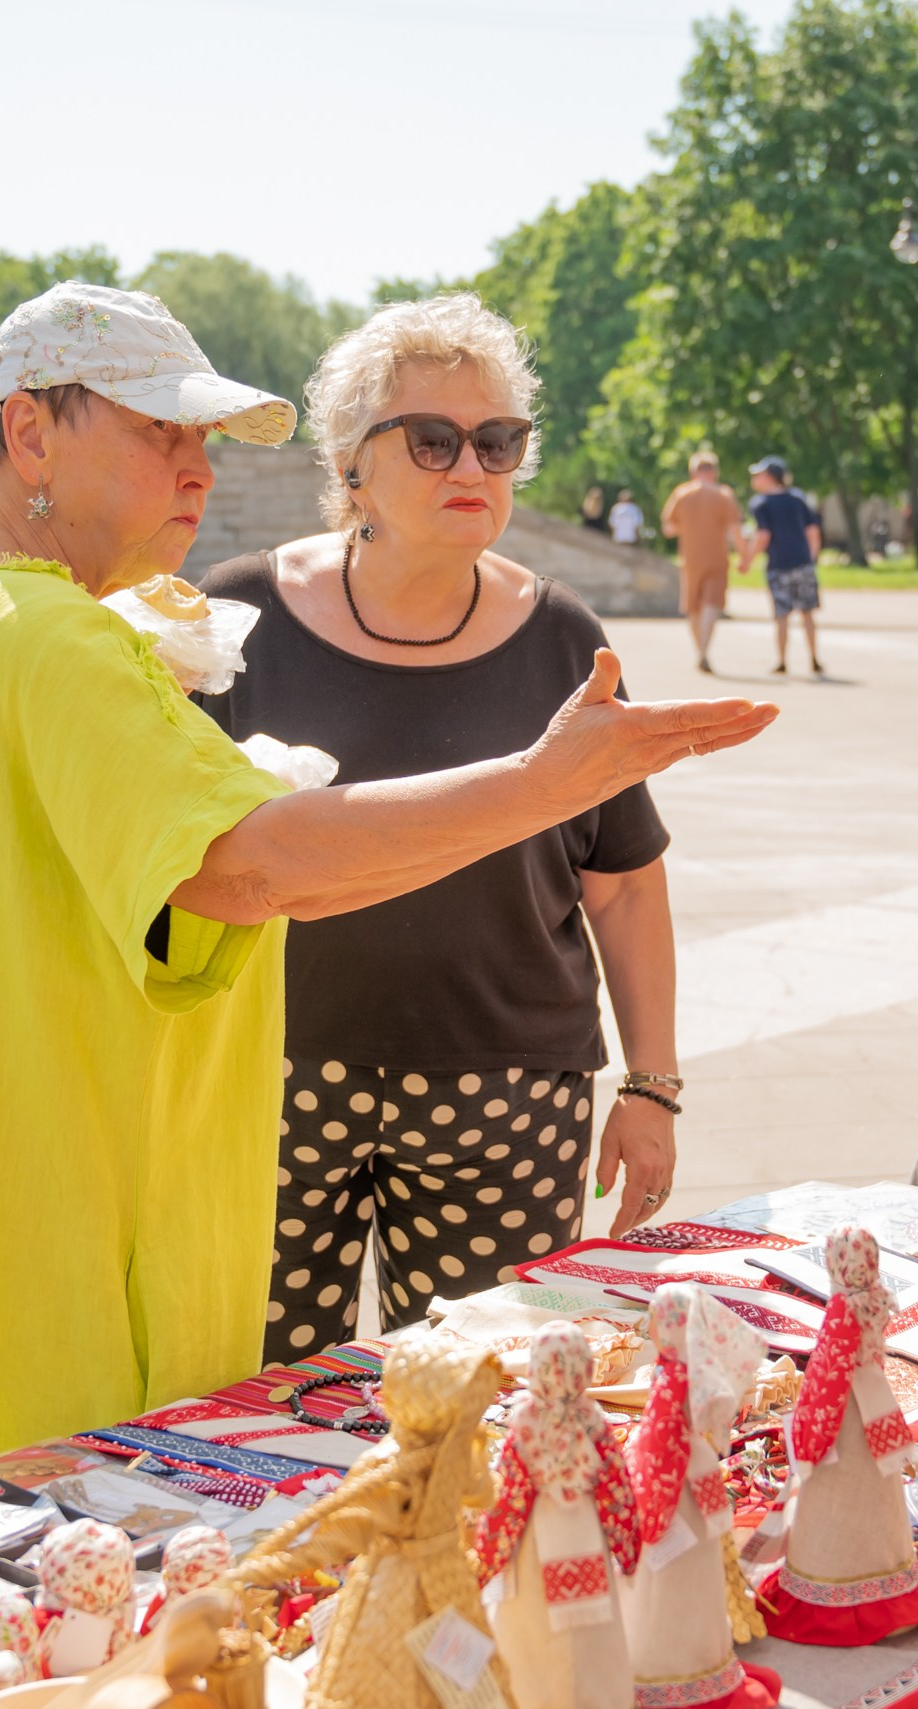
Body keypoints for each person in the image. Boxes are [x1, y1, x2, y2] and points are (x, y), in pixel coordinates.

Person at [0, 282, 775, 1464]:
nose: (198, 473)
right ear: (30, 434)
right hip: (49, 1264)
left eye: (202, 442)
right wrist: (541, 781)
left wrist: (652, 1073)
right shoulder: (52, 639)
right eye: (158, 432)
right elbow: (254, 866)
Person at [198, 296, 694, 1359]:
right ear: (351, 462)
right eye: (432, 439)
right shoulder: (236, 619)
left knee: (484, 1402)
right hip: (268, 1082)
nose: (471, 465)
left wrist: (650, 1083)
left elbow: (619, 879)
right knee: (257, 1395)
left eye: (498, 440)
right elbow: (170, 862)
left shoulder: (564, 633)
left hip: (508, 1096)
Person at [661, 449, 742, 673]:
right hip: (717, 558)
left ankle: (700, 651)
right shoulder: (724, 495)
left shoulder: (681, 494)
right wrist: (744, 555)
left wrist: (688, 525)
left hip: (690, 559)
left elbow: (668, 528)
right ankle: (704, 651)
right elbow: (735, 529)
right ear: (715, 472)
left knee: (693, 609)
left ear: (692, 471)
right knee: (711, 606)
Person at [745, 455, 822, 677]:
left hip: (778, 566)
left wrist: (748, 560)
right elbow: (813, 532)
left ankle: (782, 660)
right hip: (803, 564)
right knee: (807, 613)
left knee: (782, 616)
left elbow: (763, 536)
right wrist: (811, 558)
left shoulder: (760, 503)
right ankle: (814, 658)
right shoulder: (797, 499)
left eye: (758, 474)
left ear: (769, 476)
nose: (755, 478)